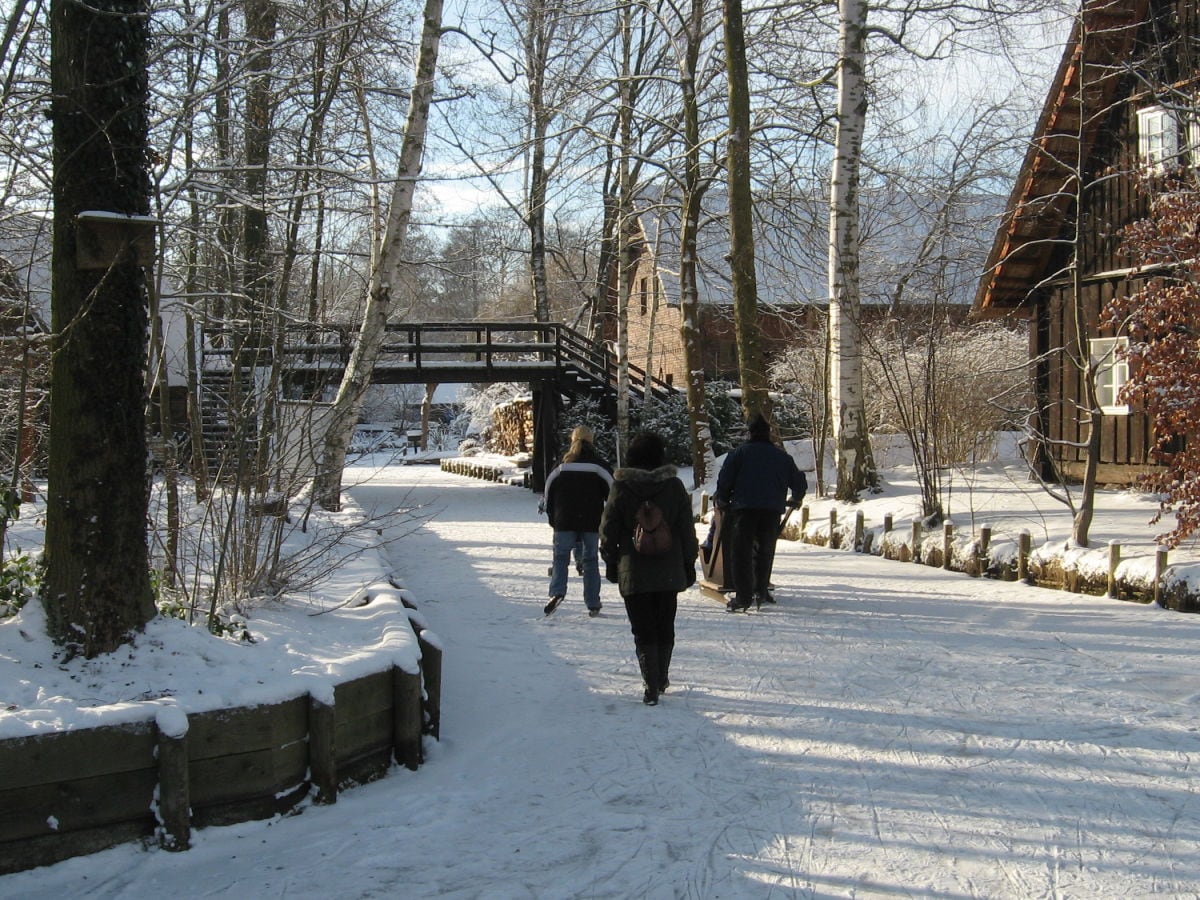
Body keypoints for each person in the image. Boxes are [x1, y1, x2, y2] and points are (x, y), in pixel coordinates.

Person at [600, 431, 699, 706]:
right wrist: (689, 562)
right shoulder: (674, 487)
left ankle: (650, 683)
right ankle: (662, 676)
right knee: (665, 624)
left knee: (642, 628)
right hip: (669, 569)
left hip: (634, 569)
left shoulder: (621, 488)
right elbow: (686, 529)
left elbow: (608, 528)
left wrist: (610, 561)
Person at [713, 412, 807, 612]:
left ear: (750, 433)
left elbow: (725, 479)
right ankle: (761, 589)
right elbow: (798, 481)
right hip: (771, 510)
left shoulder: (738, 454)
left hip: (744, 509)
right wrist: (796, 497)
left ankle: (743, 596)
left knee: (741, 552)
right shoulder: (781, 457)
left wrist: (722, 498)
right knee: (765, 550)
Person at [541, 425, 613, 617]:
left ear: (572, 440)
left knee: (560, 558)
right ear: (592, 442)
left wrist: (553, 520)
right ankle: (593, 602)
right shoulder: (599, 466)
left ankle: (556, 592)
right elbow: (614, 495)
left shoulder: (561, 466)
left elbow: (548, 494)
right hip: (591, 521)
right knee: (590, 561)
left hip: (564, 520)